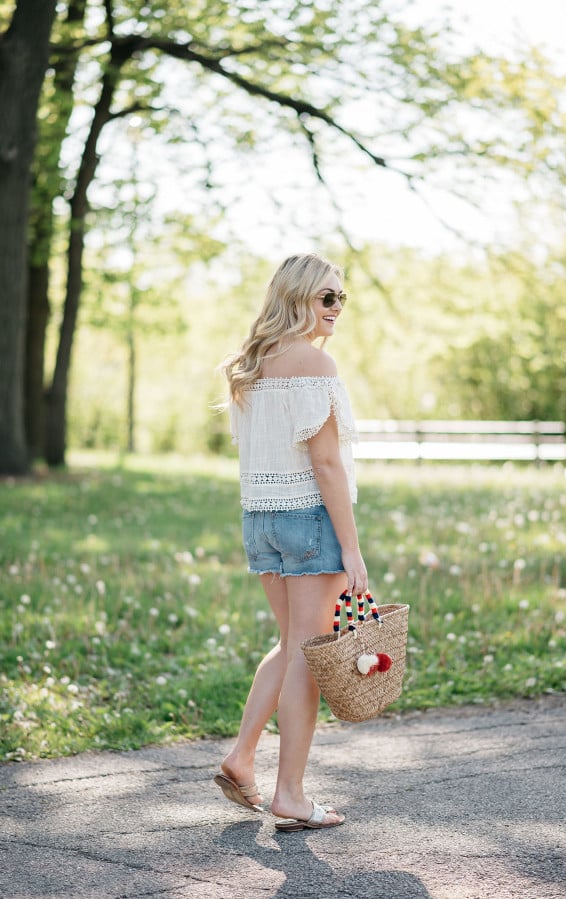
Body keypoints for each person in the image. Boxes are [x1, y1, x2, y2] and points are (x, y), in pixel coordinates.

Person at [214, 252, 368, 832]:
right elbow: (325, 463)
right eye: (326, 297)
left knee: (289, 643)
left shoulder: (252, 363)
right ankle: (291, 795)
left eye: (341, 298)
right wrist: (351, 548)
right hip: (308, 520)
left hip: (261, 519)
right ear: (296, 296)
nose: (336, 308)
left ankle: (241, 757)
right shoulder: (314, 364)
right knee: (308, 653)